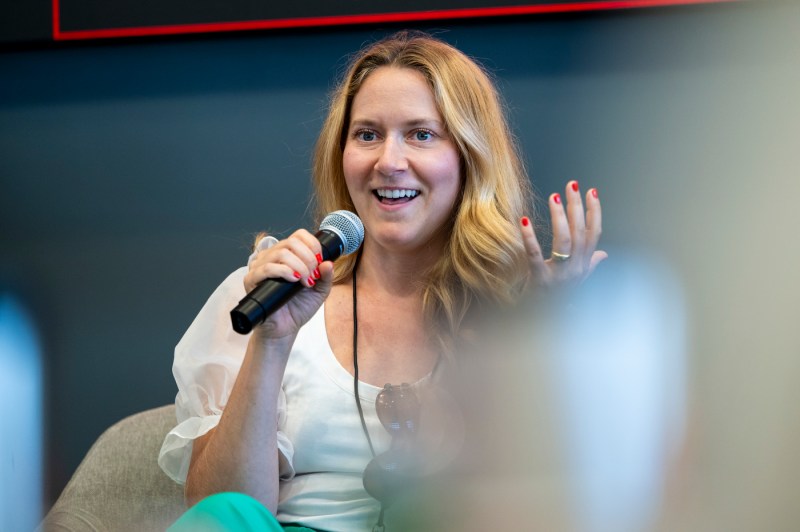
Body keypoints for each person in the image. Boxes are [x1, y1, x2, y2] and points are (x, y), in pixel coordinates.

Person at [158, 30, 606, 531]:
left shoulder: (512, 308)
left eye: (421, 134)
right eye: (367, 134)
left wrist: (533, 344)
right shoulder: (269, 291)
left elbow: (544, 505)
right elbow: (221, 512)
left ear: (468, 158)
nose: (388, 163)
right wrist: (272, 342)